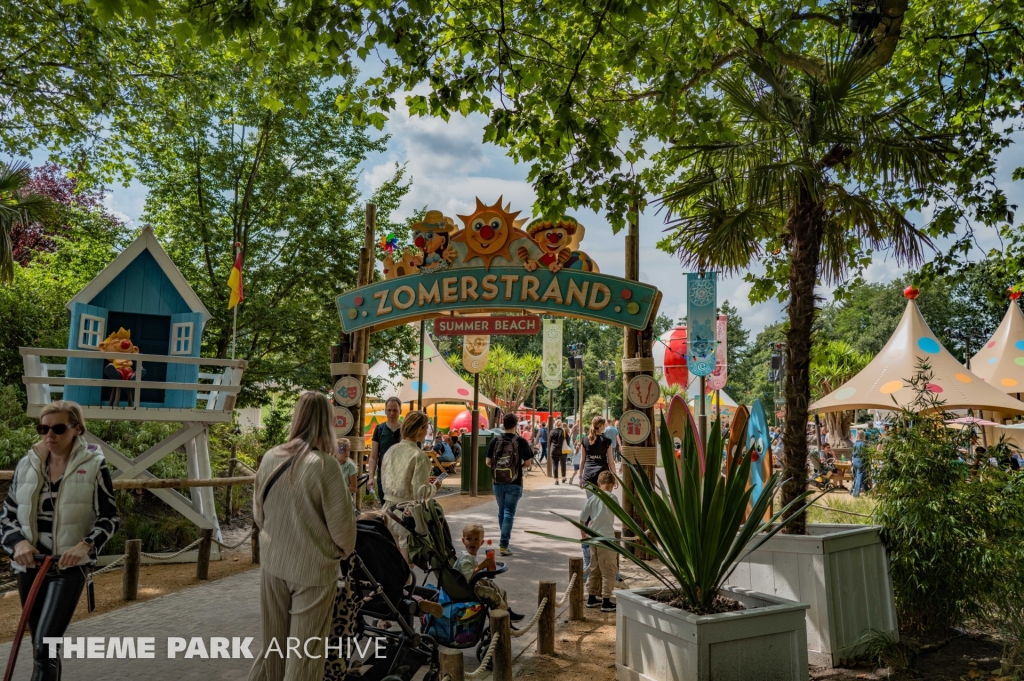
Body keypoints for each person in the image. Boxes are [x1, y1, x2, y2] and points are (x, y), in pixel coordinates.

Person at [1, 401, 119, 680]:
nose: (49, 435)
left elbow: (110, 518)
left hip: (68, 568)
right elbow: (6, 516)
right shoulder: (26, 464)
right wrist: (18, 543)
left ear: (77, 429)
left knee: (45, 646)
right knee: (42, 647)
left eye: (58, 428)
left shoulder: (94, 465)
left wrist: (86, 544)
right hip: (30, 566)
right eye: (43, 428)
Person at [250, 391, 357, 681]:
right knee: (304, 658)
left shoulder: (271, 457)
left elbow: (259, 516)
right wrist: (335, 552)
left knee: (273, 650)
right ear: (328, 422)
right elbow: (345, 535)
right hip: (313, 571)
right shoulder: (325, 465)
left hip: (273, 565)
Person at [381, 411, 442, 561]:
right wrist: (434, 487)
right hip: (407, 514)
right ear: (420, 429)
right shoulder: (419, 456)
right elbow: (419, 493)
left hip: (387, 511)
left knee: (390, 561)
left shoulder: (391, 451)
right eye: (426, 427)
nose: (427, 431)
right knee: (407, 562)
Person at [485, 412, 534, 556]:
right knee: (509, 512)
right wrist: (517, 467)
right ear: (516, 425)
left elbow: (488, 462)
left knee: (502, 512)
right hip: (515, 482)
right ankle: (504, 544)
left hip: (498, 481)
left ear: (503, 425)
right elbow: (528, 463)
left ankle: (503, 541)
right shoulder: (521, 441)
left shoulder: (495, 441)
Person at [454, 523, 523, 620]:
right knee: (493, 594)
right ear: (463, 541)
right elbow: (467, 576)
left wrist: (483, 567)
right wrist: (481, 566)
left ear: (481, 542)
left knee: (497, 588)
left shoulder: (471, 555)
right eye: (469, 539)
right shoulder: (465, 558)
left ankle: (507, 611)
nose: (472, 542)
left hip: (472, 583)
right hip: (466, 588)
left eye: (476, 539)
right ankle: (502, 619)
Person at [580, 470, 618, 613]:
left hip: (593, 538)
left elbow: (582, 518)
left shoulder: (592, 498)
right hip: (606, 538)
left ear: (598, 483)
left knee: (594, 568)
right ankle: (606, 600)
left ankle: (591, 597)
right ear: (613, 484)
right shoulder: (612, 497)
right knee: (609, 570)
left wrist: (583, 532)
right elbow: (618, 513)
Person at [367, 396, 403, 504]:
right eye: (389, 410)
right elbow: (373, 457)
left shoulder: (406, 430)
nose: (392, 413)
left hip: (402, 475)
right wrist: (371, 477)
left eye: (395, 410)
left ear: (400, 411)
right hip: (383, 476)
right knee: (385, 507)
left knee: (400, 507)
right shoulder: (379, 429)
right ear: (385, 411)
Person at [580, 416, 617, 493]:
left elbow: (582, 461)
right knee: (603, 499)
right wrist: (615, 478)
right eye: (604, 424)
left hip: (588, 475)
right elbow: (611, 462)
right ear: (601, 426)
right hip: (603, 477)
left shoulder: (585, 440)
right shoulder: (607, 441)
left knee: (591, 499)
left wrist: (581, 477)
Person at [334, 438, 359, 507]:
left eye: (348, 450)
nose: (347, 453)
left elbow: (354, 488)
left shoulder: (350, 467)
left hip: (345, 500)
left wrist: (339, 489)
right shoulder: (331, 465)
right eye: (344, 450)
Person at [549, 419, 568, 484]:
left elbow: (549, 441)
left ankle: (556, 480)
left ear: (555, 424)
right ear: (561, 424)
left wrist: (551, 448)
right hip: (562, 449)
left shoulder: (552, 431)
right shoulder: (563, 431)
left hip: (554, 449)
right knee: (563, 464)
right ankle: (563, 478)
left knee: (555, 465)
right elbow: (568, 440)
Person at [851, 431, 867, 497]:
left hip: (855, 460)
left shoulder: (855, 443)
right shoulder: (863, 444)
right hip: (860, 461)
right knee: (859, 477)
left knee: (857, 477)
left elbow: (852, 453)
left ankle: (865, 489)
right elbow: (864, 454)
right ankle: (855, 493)